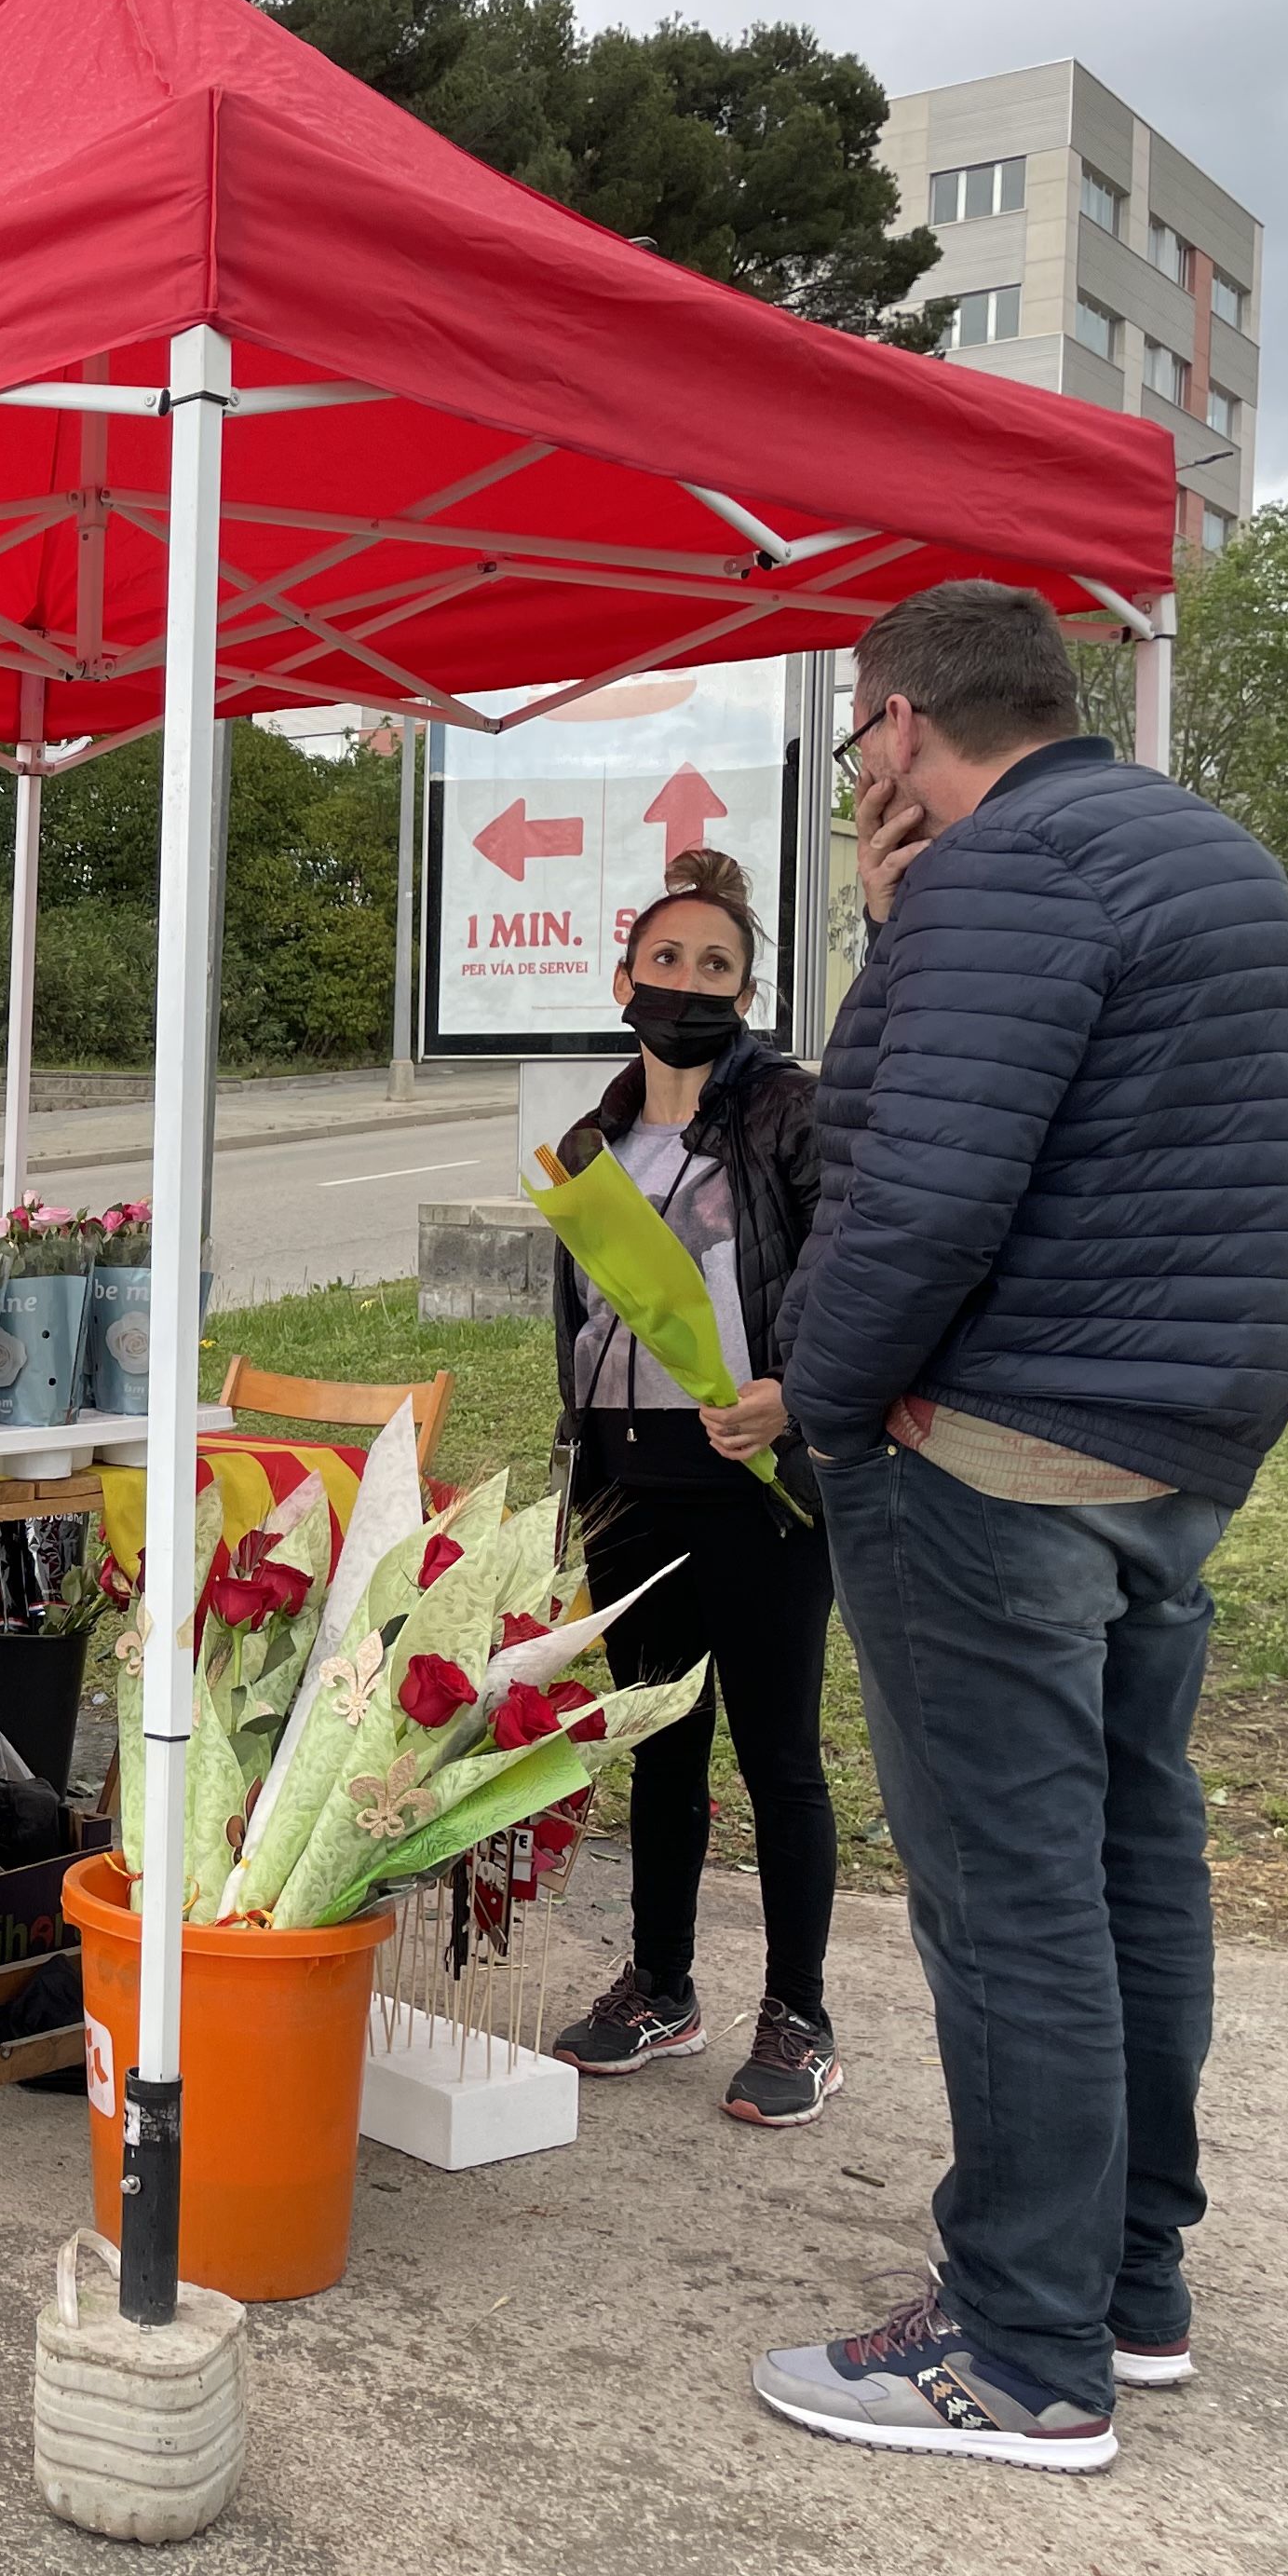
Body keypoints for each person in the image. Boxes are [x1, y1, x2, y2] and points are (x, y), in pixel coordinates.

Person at [752, 581, 1288, 2474]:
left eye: (860, 736)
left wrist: (826, 1411)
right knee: (1128, 1858)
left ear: (902, 722)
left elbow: (909, 1190)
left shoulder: (1011, 875)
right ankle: (1128, 2281)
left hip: (991, 1457)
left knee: (1009, 1899)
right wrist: (903, 924)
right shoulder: (1201, 853)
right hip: (1174, 1452)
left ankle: (1018, 2348)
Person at [538, 848, 840, 2127]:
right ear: (625, 981)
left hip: (757, 1476)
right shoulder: (587, 1143)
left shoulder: (792, 1114)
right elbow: (580, 1321)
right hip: (630, 1478)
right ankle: (659, 1983)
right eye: (667, 961)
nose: (688, 983)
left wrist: (799, 1390)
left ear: (747, 991)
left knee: (778, 1756)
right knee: (658, 1741)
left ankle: (801, 2015)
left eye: (716, 966)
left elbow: (853, 1264)